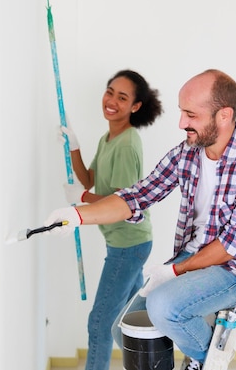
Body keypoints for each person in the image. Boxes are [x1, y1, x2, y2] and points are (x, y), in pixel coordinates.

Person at [45, 69, 236, 370]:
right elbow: (137, 195)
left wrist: (174, 271)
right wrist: (77, 216)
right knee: (124, 330)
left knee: (163, 306)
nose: (182, 123)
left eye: (191, 115)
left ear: (224, 115)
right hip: (194, 259)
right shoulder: (188, 153)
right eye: (181, 113)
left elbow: (231, 247)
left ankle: (204, 360)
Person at [59, 69, 163, 370]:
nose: (112, 100)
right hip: (126, 244)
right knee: (123, 323)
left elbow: (122, 204)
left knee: (100, 323)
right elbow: (89, 179)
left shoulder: (128, 144)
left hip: (128, 246)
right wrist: (74, 145)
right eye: (110, 91)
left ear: (135, 106)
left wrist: (80, 200)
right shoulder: (109, 139)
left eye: (122, 97)